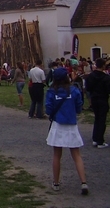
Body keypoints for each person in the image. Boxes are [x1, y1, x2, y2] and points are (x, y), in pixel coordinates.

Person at [46, 67, 88, 195]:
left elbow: (48, 108)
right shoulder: (74, 90)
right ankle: (83, 182)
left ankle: (56, 183)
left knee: (57, 155)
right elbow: (79, 107)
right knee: (77, 155)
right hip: (71, 125)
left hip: (58, 124)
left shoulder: (51, 91)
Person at [85, 58, 110, 148]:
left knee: (97, 118)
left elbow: (88, 88)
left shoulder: (91, 76)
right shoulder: (106, 77)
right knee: (102, 119)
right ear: (103, 66)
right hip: (103, 99)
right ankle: (100, 141)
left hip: (94, 99)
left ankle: (95, 139)